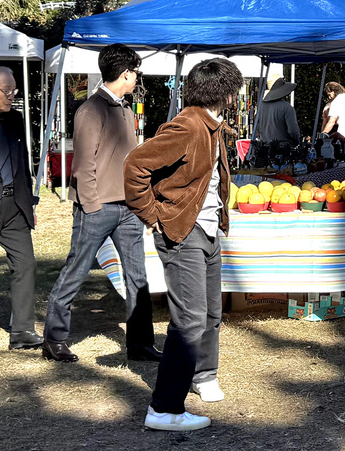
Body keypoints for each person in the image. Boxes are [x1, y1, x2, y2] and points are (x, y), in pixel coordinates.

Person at [125, 58, 244, 432]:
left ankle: (204, 375)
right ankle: (164, 408)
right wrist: (153, 215)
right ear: (225, 93)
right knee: (189, 320)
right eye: (234, 90)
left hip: (206, 231)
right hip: (182, 233)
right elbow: (135, 165)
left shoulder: (212, 125)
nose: (235, 97)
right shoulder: (189, 125)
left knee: (209, 313)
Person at [43, 44, 160, 364]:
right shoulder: (90, 110)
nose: (137, 78)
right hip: (97, 208)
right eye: (136, 72)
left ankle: (140, 344)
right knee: (75, 272)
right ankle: (53, 340)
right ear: (125, 73)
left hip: (128, 209)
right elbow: (83, 165)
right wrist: (92, 206)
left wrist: (139, 203)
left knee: (138, 276)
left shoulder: (124, 108)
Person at [0, 67, 41, 351]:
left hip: (15, 207)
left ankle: (22, 331)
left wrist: (28, 199)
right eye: (7, 92)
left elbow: (22, 163)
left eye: (15, 92)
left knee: (26, 265)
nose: (12, 97)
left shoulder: (14, 120)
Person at [258, 77, 300, 146]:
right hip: (282, 148)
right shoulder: (287, 107)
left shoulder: (262, 106)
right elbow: (293, 131)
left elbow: (258, 128)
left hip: (264, 148)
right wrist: (298, 141)